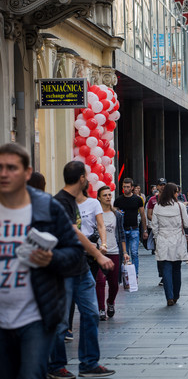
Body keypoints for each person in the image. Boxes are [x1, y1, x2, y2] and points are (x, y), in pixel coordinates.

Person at [0, 143, 84, 379]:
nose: (4, 173)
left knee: (31, 374)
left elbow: (74, 254)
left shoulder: (47, 207)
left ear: (27, 173)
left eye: (11, 168)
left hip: (35, 314)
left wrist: (52, 258)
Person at [49, 161, 115, 378]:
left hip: (81, 268)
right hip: (64, 269)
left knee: (91, 314)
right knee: (60, 321)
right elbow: (73, 232)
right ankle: (56, 366)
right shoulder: (60, 201)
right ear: (81, 178)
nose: (87, 179)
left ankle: (88, 363)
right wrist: (97, 253)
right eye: (86, 176)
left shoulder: (76, 201)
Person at [151, 183, 188, 306]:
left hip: (163, 239)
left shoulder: (157, 207)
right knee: (176, 268)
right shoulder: (180, 206)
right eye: (176, 192)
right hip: (177, 239)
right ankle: (176, 294)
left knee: (166, 268)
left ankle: (169, 296)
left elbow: (154, 226)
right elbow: (187, 224)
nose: (178, 194)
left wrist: (157, 238)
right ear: (172, 193)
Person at [96, 186, 129, 321]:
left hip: (114, 251)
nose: (108, 197)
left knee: (114, 283)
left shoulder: (117, 215)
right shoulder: (96, 215)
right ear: (99, 198)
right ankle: (101, 309)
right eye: (105, 195)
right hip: (99, 252)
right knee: (100, 281)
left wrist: (125, 252)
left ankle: (110, 302)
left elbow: (121, 235)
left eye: (109, 195)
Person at [115, 177, 147, 276]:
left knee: (134, 253)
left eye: (128, 187)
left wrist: (145, 230)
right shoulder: (118, 200)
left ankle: (135, 274)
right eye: (124, 187)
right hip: (123, 229)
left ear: (132, 187)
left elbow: (142, 215)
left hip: (134, 229)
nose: (126, 189)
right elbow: (114, 215)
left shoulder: (138, 199)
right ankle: (125, 274)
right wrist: (117, 212)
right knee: (125, 253)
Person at [76, 188, 107, 279]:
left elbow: (101, 225)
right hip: (74, 251)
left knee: (91, 282)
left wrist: (104, 244)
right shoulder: (67, 203)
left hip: (90, 251)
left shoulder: (93, 203)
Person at [147, 178, 166, 283]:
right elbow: (149, 214)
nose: (162, 186)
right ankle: (162, 274)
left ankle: (166, 275)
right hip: (157, 230)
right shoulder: (152, 200)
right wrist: (157, 220)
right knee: (159, 252)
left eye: (164, 184)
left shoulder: (171, 199)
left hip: (168, 230)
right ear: (157, 187)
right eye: (160, 185)